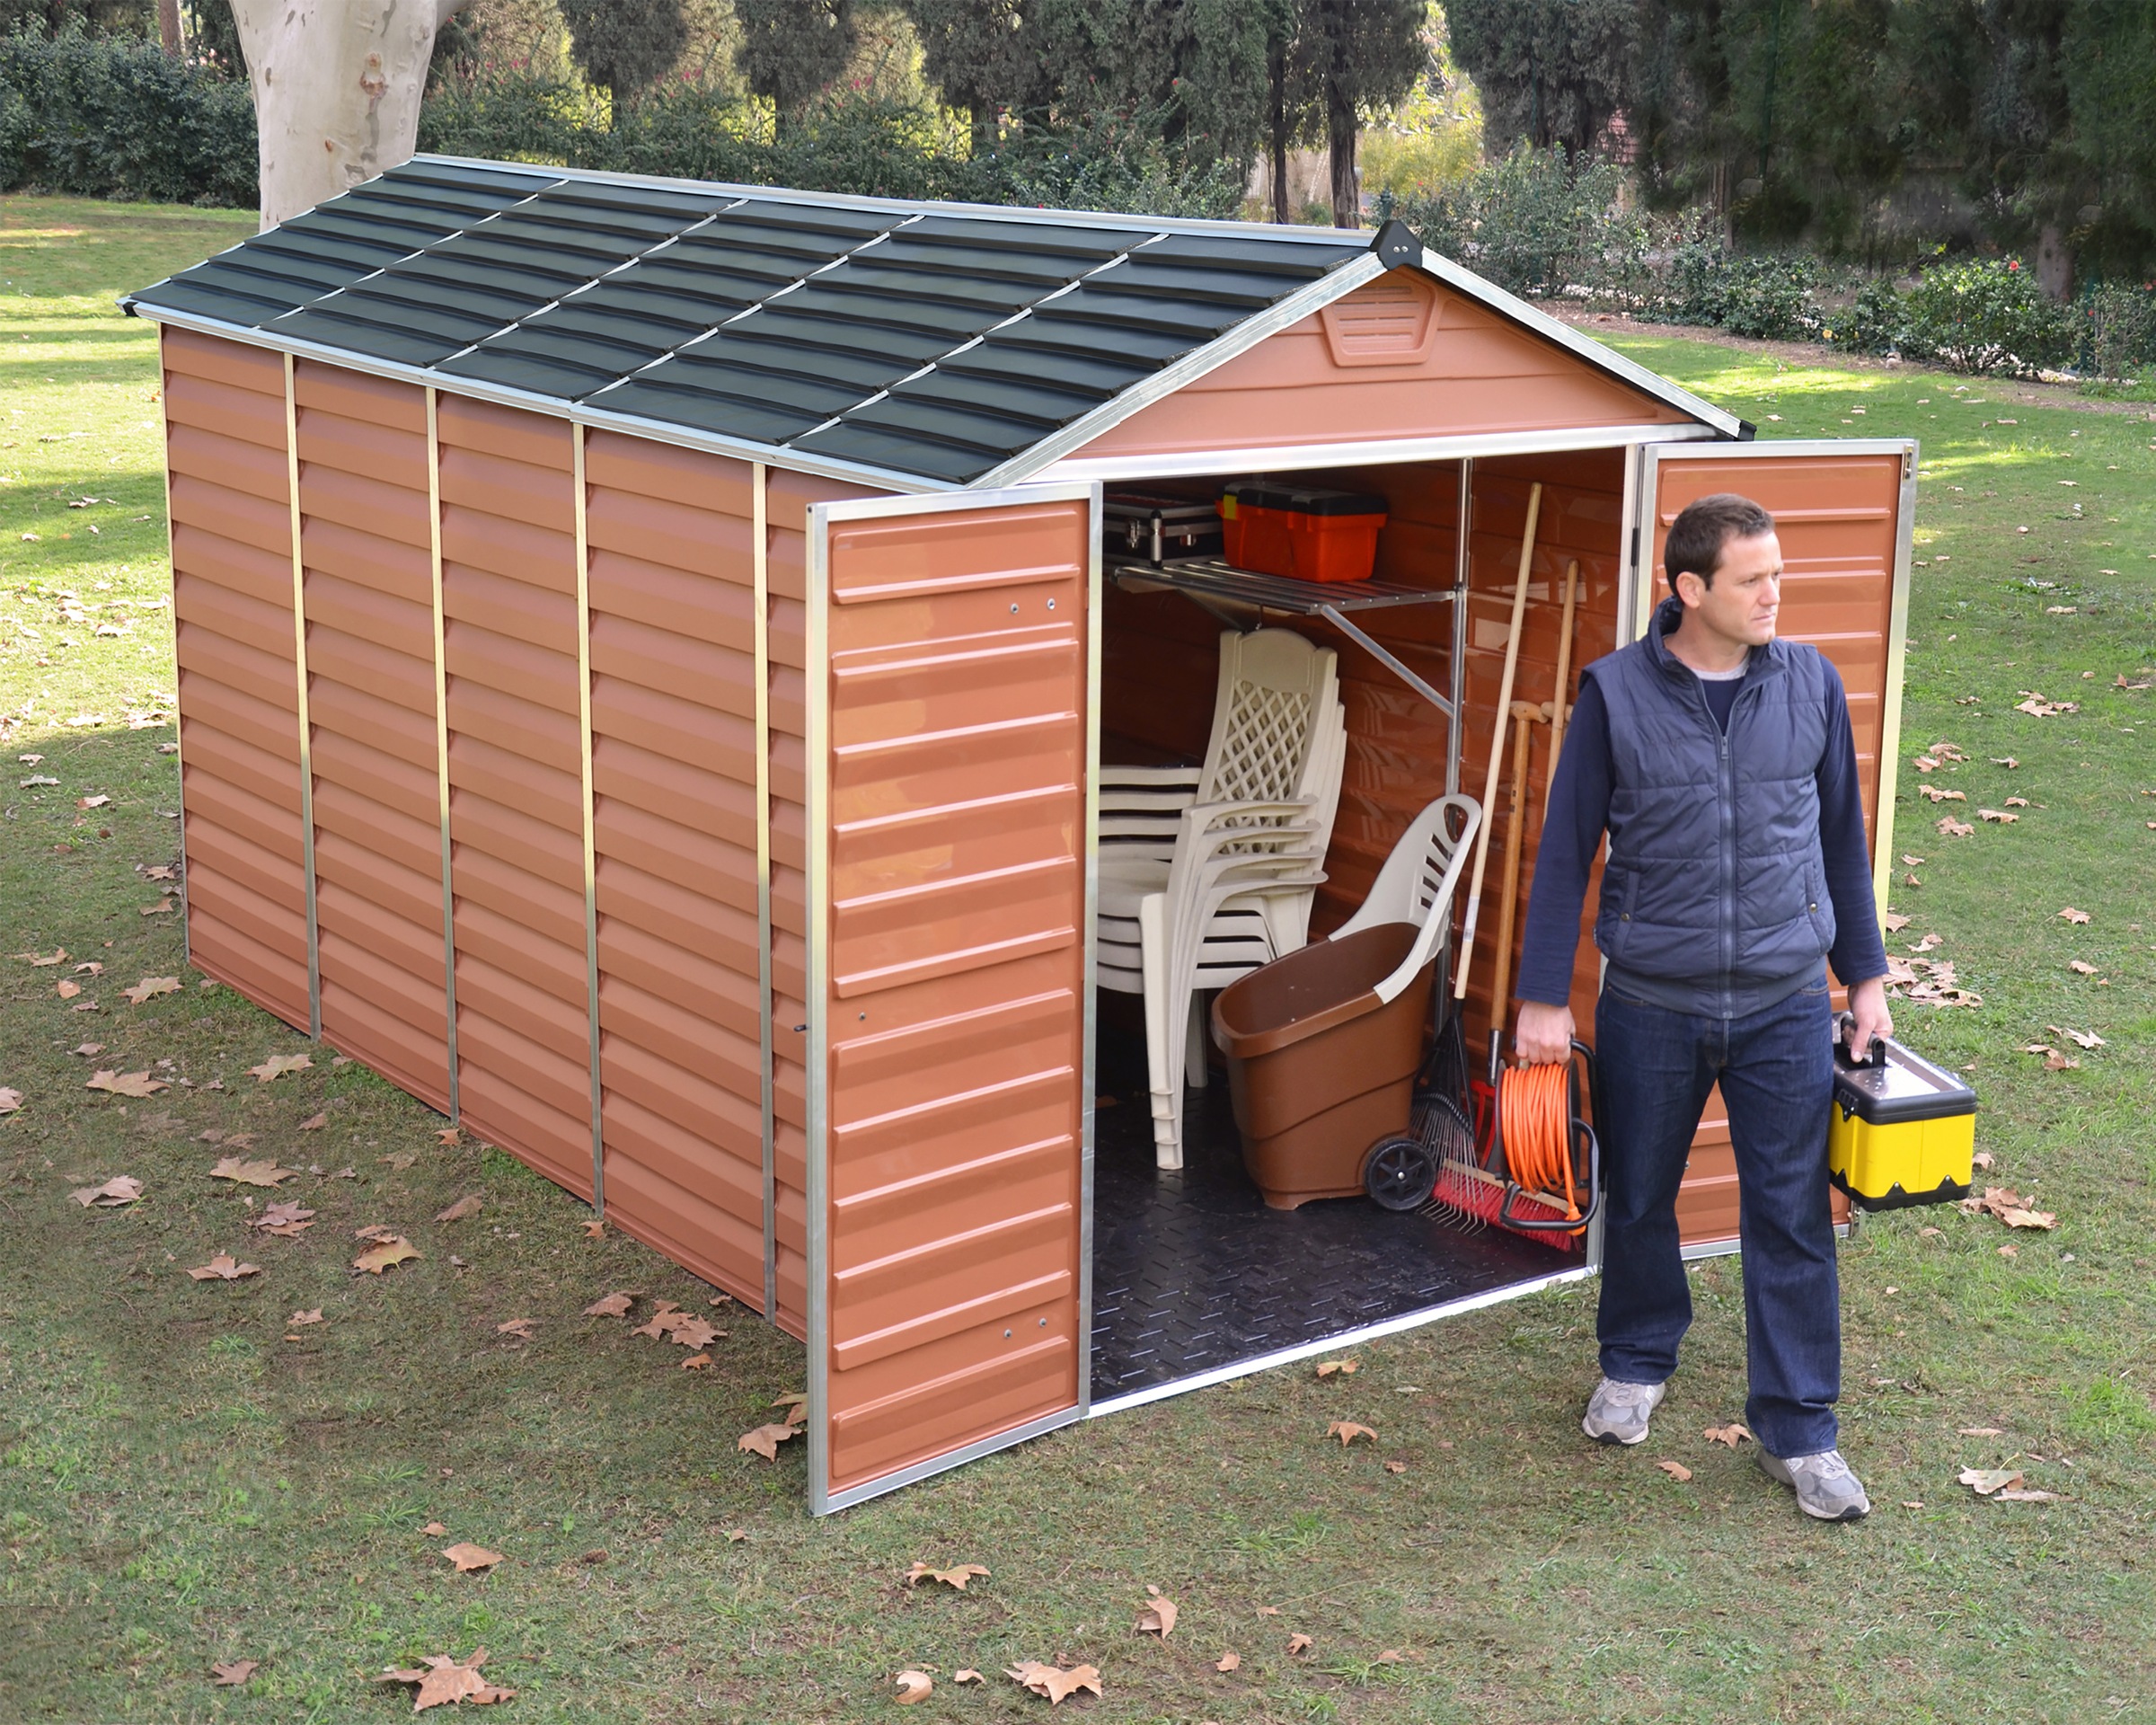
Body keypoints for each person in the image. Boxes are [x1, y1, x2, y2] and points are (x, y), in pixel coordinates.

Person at [1513, 491, 1892, 1523]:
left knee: (1791, 1213)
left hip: (1783, 1002)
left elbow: (1841, 839)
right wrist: (1542, 996)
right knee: (1640, 1196)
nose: (1775, 594)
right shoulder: (1615, 694)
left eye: (1778, 573)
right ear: (1690, 588)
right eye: (1752, 579)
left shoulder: (1810, 683)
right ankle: (1635, 1363)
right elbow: (1565, 851)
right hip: (1651, 1001)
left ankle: (1800, 1430)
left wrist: (1864, 979)